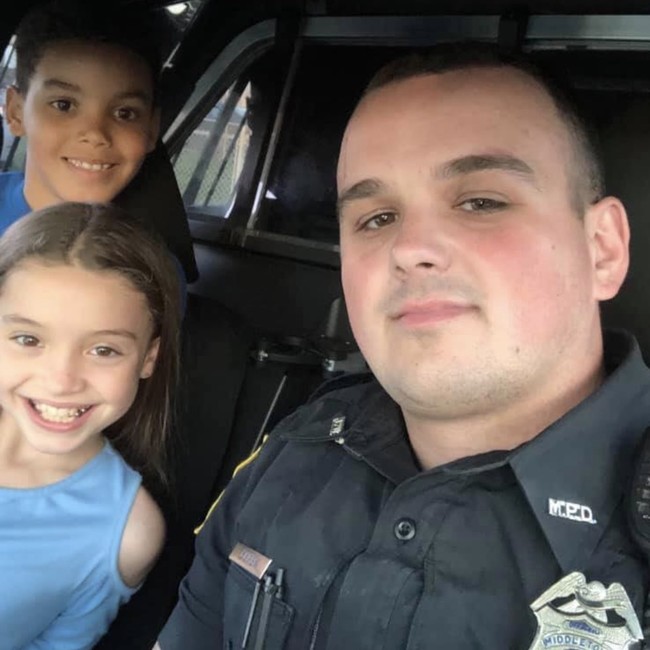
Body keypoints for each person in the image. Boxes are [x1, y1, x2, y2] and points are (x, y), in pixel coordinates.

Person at [155, 44, 650, 649]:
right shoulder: (293, 452)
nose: (410, 248)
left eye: (481, 202)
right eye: (377, 218)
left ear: (602, 250)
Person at [0, 201, 181, 649]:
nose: (61, 381)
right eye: (28, 339)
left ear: (148, 358)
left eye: (104, 350)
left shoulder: (128, 532)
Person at [0, 0, 161, 232]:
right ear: (16, 112)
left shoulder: (148, 252)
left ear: (152, 129)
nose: (95, 134)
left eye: (124, 113)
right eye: (63, 105)